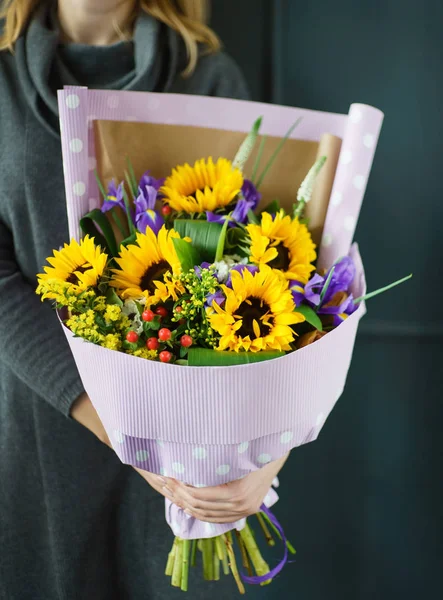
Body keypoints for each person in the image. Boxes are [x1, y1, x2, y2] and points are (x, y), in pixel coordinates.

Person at [0, 1, 288, 597]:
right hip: (38, 433)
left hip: (192, 460)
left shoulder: (207, 76)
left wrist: (266, 459)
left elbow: (269, 271)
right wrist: (125, 429)